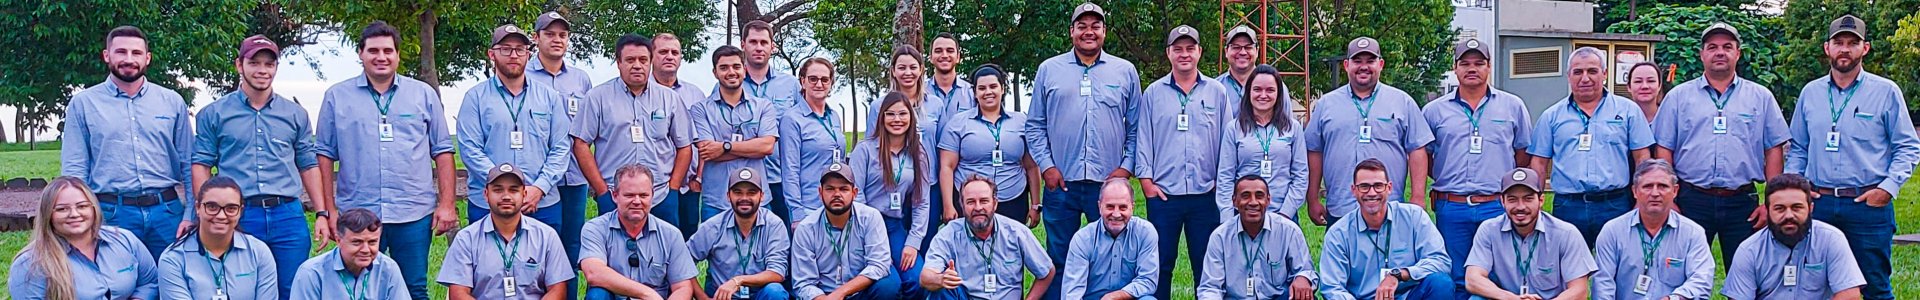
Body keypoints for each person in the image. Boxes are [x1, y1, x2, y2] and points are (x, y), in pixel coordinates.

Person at [314, 21, 458, 300]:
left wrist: (447, 204)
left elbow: (442, 150)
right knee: (358, 287)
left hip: (412, 212)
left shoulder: (422, 94)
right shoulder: (336, 97)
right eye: (374, 51)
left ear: (398, 55)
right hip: (358, 212)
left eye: (388, 51)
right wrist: (329, 209)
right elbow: (324, 154)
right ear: (360, 53)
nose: (381, 57)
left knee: (414, 286)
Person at [1786, 15, 1918, 300]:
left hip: (1867, 206)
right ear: (1827, 48)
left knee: (1874, 286)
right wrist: (1799, 187)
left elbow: (1908, 146)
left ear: (1865, 48)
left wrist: (1887, 189)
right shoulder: (1811, 93)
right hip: (1818, 205)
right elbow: (1798, 147)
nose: (1845, 49)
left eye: (1853, 43)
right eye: (1839, 43)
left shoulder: (1886, 92)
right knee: (1815, 285)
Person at [191, 35, 328, 299]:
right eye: (254, 63)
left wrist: (321, 212)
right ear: (239, 65)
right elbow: (201, 164)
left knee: (293, 288)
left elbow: (308, 165)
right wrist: (204, 211)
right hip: (239, 215)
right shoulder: (214, 114)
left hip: (287, 214)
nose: (262, 70)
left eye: (269, 64)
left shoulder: (295, 114)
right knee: (242, 289)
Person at [1653, 23, 1791, 267]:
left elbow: (1773, 150)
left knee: (1745, 275)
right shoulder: (1678, 97)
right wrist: (1669, 197)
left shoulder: (1760, 97)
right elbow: (1665, 150)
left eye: (1727, 47)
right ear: (1702, 54)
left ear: (1738, 53)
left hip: (1742, 202)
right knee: (1681, 270)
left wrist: (1771, 200)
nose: (1720, 52)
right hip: (1690, 199)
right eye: (1712, 47)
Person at [1027, 5, 1141, 293]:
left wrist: (1126, 168)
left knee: (1108, 258)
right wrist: (1047, 166)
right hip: (1061, 183)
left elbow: (1137, 128)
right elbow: (1035, 125)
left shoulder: (1125, 71)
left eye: (1095, 26)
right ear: (1072, 32)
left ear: (1104, 31)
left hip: (1107, 185)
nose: (1089, 31)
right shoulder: (1049, 70)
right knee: (1059, 257)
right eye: (1082, 26)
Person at [59, 25, 192, 259]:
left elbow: (188, 163)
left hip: (168, 214)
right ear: (107, 55)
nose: (128, 59)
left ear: (147, 58)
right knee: (118, 284)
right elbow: (75, 170)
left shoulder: (172, 102)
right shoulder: (84, 104)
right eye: (121, 52)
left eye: (136, 53)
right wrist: (81, 216)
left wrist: (190, 213)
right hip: (111, 214)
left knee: (172, 283)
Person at [1419, 38, 1532, 291]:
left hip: (1496, 205)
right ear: (1455, 68)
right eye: (1465, 63)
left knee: (1499, 275)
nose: (1472, 69)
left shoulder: (1513, 106)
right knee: (1457, 276)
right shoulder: (1434, 111)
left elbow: (1522, 153)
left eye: (1479, 63)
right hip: (1452, 206)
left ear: (1489, 66)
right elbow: (1424, 155)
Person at [1136, 25, 1229, 300]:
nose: (1184, 54)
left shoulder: (1217, 92)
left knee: (1207, 265)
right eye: (1178, 49)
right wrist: (1146, 183)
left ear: (1200, 52)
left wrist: (1221, 184)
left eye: (1190, 48)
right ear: (1168, 54)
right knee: (1161, 264)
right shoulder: (1153, 93)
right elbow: (1144, 139)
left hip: (1205, 195)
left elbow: (1228, 141)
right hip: (1165, 195)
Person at [1527, 47, 1654, 247]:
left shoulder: (1628, 111)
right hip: (1568, 206)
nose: (1585, 78)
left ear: (1604, 74)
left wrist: (1641, 200)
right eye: (1578, 72)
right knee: (1567, 269)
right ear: (1569, 76)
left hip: (1615, 204)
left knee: (1619, 267)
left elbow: (1642, 159)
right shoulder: (1551, 117)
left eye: (1592, 71)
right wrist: (1535, 204)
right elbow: (1539, 164)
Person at [1304, 37, 1435, 226]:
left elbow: (1417, 149)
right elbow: (1314, 151)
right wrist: (1313, 198)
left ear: (1380, 64)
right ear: (1346, 65)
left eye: (1370, 61)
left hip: (1389, 207)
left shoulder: (1402, 102)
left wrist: (1417, 197)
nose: (1363, 67)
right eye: (1357, 61)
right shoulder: (1326, 104)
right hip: (1341, 207)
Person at [456, 24, 574, 229]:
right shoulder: (475, 98)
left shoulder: (549, 98)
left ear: (528, 55)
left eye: (520, 49)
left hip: (542, 202)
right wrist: (505, 190)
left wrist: (539, 187)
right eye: (505, 49)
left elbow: (561, 147)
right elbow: (469, 149)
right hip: (488, 204)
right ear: (491, 54)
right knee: (488, 261)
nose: (513, 55)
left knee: (545, 261)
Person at [571, 34, 693, 229]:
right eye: (630, 60)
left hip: (660, 197)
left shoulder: (669, 98)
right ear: (618, 62)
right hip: (615, 197)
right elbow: (580, 144)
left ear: (651, 62)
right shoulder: (597, 97)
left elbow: (685, 146)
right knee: (615, 255)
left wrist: (673, 189)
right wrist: (602, 191)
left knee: (663, 256)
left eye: (643, 60)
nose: (637, 65)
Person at [1317, 159, 1454, 300]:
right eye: (1364, 186)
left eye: (1378, 186)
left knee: (1441, 284)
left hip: (1409, 295)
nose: (1371, 192)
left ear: (1389, 188)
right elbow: (1332, 287)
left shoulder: (1414, 217)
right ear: (1354, 190)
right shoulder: (1338, 233)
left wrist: (1400, 274)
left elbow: (1440, 261)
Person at [438, 163, 576, 300]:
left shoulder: (546, 236)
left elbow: (558, 290)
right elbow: (458, 294)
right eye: (498, 190)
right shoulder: (466, 239)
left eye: (513, 190)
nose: (506, 196)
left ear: (524, 194)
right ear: (486, 195)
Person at [8, 177, 159, 300]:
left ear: (94, 209)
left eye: (82, 206)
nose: (74, 214)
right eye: (62, 209)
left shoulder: (124, 240)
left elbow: (150, 281)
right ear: (48, 214)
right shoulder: (30, 264)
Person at [1721, 174, 1867, 300]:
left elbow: (1850, 295)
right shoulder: (1749, 250)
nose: (1789, 215)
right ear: (1767, 211)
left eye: (1797, 207)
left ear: (1810, 209)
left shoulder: (1831, 239)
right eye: (1780, 208)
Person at [529, 13, 596, 287]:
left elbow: (590, 127)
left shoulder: (581, 80)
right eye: (550, 34)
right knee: (537, 249)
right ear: (536, 38)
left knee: (571, 248)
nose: (557, 40)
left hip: (575, 177)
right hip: (539, 180)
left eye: (562, 35)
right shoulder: (525, 75)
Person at [1464, 168, 1596, 300]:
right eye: (1512, 199)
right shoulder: (1489, 230)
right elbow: (1472, 279)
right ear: (1502, 202)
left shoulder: (1566, 234)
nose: (1520, 206)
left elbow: (1579, 290)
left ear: (1541, 200)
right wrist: (1511, 298)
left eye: (1528, 199)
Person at [1591, 160, 1714, 300]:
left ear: (1675, 191)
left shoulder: (1693, 233)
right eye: (1648, 186)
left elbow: (1701, 280)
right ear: (1635, 191)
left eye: (1662, 186)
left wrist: (1672, 299)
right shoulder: (1612, 231)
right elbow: (1603, 285)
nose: (1655, 193)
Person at [852, 92, 934, 299]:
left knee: (916, 279)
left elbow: (922, 202)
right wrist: (872, 240)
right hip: (866, 227)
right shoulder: (865, 150)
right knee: (889, 283)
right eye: (890, 114)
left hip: (895, 226)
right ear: (882, 118)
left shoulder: (919, 153)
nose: (897, 120)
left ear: (911, 118)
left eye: (902, 114)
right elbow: (856, 194)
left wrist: (912, 243)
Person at [921, 177, 1056, 300]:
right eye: (970, 202)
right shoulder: (949, 234)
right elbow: (925, 277)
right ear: (962, 205)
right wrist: (940, 279)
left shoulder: (1016, 232)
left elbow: (1047, 271)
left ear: (995, 204)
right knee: (940, 291)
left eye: (984, 201)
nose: (978, 207)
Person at [579, 164, 698, 300]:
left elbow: (683, 287)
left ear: (652, 195)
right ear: (615, 196)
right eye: (629, 195)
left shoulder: (671, 234)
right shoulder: (595, 228)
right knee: (597, 296)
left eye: (643, 195)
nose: (637, 201)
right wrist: (647, 294)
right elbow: (594, 273)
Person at [940, 64, 1040, 223]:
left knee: (1009, 245)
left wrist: (1035, 204)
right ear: (975, 93)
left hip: (1012, 197)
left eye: (993, 86)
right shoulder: (958, 123)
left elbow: (1032, 166)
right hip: (972, 201)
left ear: (1002, 89)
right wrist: (948, 205)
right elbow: (947, 166)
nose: (988, 92)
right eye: (982, 88)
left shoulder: (1021, 122)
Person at [691, 45, 780, 221]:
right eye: (724, 68)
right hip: (717, 202)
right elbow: (707, 152)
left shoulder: (763, 106)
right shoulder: (700, 109)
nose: (731, 72)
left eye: (736, 67)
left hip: (758, 200)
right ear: (715, 73)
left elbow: (767, 147)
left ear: (744, 70)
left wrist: (723, 146)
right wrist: (752, 147)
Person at [792, 162, 900, 300]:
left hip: (860, 292)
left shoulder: (871, 217)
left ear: (854, 193)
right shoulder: (806, 228)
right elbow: (804, 283)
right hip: (824, 295)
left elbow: (879, 264)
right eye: (830, 189)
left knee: (888, 286)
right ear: (820, 193)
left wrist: (841, 292)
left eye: (843, 189)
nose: (837, 194)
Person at [158, 177, 277, 300]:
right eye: (212, 207)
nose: (221, 215)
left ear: (240, 211)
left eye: (231, 208)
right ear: (198, 208)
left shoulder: (259, 252)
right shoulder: (173, 259)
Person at [1197, 175, 1314, 300]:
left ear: (1268, 200)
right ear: (1234, 201)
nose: (1253, 202)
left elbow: (1305, 270)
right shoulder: (1220, 236)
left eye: (1259, 196)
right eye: (1245, 196)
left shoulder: (1288, 230)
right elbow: (1211, 287)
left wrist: (1303, 278)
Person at [1215, 65, 1306, 220]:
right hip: (1243, 215)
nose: (1263, 95)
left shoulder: (1293, 128)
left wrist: (1286, 213)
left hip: (1282, 214)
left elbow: (1301, 176)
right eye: (1257, 89)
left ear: (1279, 94)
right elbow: (1225, 177)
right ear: (1249, 92)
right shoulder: (1234, 128)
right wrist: (1227, 218)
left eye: (1270, 90)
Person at [687, 167, 792, 300]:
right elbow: (683, 262)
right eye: (738, 192)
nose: (744, 198)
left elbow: (777, 272)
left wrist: (738, 281)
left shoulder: (774, 225)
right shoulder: (713, 227)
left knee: (775, 291)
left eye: (751, 193)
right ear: (728, 196)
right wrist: (702, 297)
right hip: (724, 297)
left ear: (762, 196)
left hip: (759, 296)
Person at [739, 20, 801, 223]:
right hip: (744, 177)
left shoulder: (790, 85)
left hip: (781, 178)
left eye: (764, 42)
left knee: (787, 242)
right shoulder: (729, 84)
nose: (758, 48)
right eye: (753, 42)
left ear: (772, 47)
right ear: (743, 44)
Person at [1062, 180, 1160, 300]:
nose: (1116, 214)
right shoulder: (1082, 239)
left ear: (1132, 207)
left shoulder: (1145, 232)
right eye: (1110, 207)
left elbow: (1148, 281)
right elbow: (1072, 294)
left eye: (1123, 207)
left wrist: (1115, 296)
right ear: (1099, 206)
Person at [654, 32, 710, 237]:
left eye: (674, 52)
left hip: (688, 186)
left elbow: (705, 139)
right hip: (655, 187)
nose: (669, 56)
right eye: (663, 52)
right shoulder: (643, 91)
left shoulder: (695, 94)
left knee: (686, 245)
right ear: (652, 55)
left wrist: (700, 178)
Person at [780, 57, 850, 221]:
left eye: (824, 79)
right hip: (808, 208)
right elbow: (790, 171)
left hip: (835, 205)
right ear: (803, 82)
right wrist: (796, 214)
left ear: (831, 83)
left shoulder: (834, 116)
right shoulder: (791, 119)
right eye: (813, 79)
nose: (819, 84)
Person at [289, 208, 411, 300]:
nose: (366, 249)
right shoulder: (311, 273)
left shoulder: (388, 268)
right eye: (357, 242)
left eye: (372, 242)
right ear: (338, 240)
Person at [927, 33, 974, 113]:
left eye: (950, 51)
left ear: (958, 57)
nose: (944, 55)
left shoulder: (971, 93)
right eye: (938, 51)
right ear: (931, 57)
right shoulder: (920, 92)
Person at [1215, 25, 1264, 101]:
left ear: (1257, 51)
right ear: (1226, 51)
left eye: (1248, 47)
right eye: (1236, 47)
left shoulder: (1274, 88)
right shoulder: (1213, 88)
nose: (1242, 52)